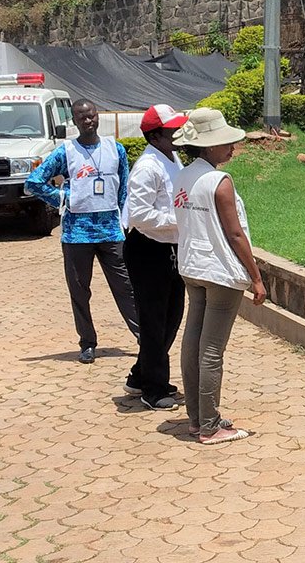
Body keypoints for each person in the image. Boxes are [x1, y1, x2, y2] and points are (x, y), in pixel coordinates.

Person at [171, 108, 266, 445]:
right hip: (220, 272)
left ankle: (197, 418)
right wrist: (256, 277)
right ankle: (210, 425)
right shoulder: (219, 181)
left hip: (192, 268)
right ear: (208, 147)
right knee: (211, 349)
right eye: (224, 142)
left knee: (193, 342)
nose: (231, 147)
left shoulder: (183, 176)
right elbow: (235, 235)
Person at [26, 99, 141, 371]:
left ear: (97, 117)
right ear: (75, 121)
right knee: (80, 291)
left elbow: (124, 188)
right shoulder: (66, 151)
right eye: (81, 117)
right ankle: (87, 342)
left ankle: (143, 336)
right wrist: (63, 198)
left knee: (126, 288)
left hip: (111, 231)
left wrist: (125, 221)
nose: (88, 121)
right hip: (77, 234)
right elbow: (33, 182)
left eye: (91, 116)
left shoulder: (116, 150)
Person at [122, 104, 189, 411]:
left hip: (169, 247)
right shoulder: (148, 168)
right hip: (148, 248)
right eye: (173, 128)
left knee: (171, 315)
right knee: (154, 320)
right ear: (157, 135)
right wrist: (181, 220)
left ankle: (140, 376)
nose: (179, 132)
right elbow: (139, 215)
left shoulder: (171, 157)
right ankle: (154, 387)